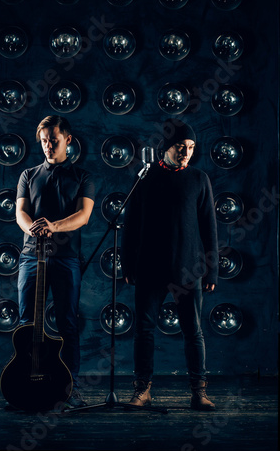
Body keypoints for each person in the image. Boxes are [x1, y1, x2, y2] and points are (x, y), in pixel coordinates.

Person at [121, 118, 218, 411]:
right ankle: (142, 390)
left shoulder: (199, 179)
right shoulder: (145, 177)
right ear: (166, 146)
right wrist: (127, 264)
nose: (186, 152)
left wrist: (211, 269)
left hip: (189, 269)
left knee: (194, 331)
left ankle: (198, 392)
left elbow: (209, 228)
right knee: (144, 331)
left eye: (190, 147)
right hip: (150, 268)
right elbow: (130, 225)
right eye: (180, 146)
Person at [15, 115, 95, 408]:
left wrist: (53, 226)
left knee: (67, 324)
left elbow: (84, 216)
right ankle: (23, 385)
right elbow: (20, 212)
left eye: (54, 140)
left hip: (66, 259)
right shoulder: (28, 175)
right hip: (30, 257)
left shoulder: (83, 177)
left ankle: (68, 390)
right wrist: (32, 229)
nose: (48, 145)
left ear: (68, 140)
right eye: (44, 140)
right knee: (26, 324)